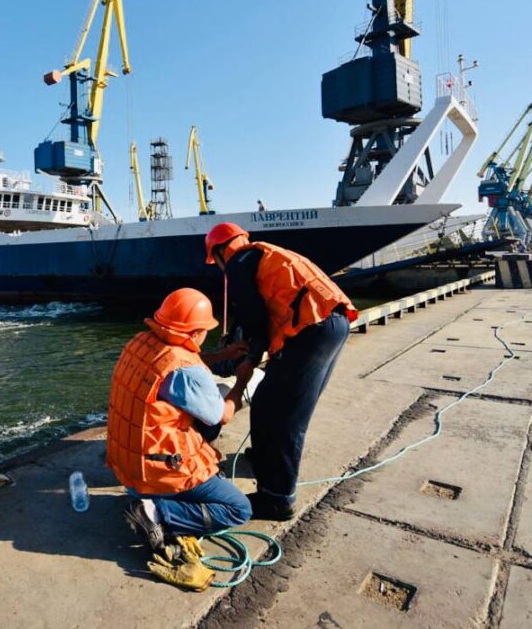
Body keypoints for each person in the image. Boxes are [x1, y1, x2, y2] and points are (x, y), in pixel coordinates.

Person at [204, 222, 357, 521]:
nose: (220, 267)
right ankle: (263, 458)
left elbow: (253, 315)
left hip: (311, 329)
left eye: (216, 261)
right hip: (334, 322)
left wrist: (252, 356)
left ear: (221, 252)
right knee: (280, 405)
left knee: (281, 414)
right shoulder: (265, 254)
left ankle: (277, 499)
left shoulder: (239, 262)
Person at [106, 287, 252, 555]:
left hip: (127, 467)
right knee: (239, 509)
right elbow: (222, 415)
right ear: (196, 332)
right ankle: (156, 513)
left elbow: (177, 365)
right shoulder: (186, 370)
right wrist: (243, 379)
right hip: (157, 475)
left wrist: (223, 355)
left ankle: (152, 503)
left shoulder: (140, 342)